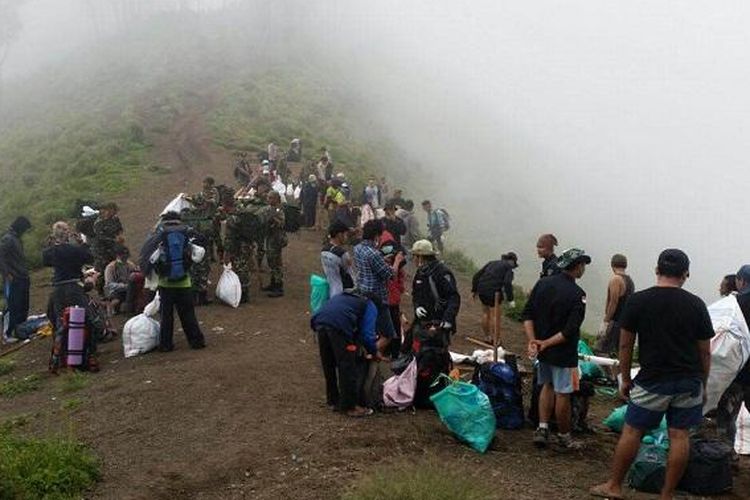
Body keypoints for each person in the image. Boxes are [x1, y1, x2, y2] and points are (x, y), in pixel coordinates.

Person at [590, 249, 713, 500]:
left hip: (652, 380)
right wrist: (703, 382)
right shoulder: (696, 304)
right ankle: (666, 495)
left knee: (633, 431)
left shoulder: (639, 301)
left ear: (657, 270)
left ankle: (614, 486)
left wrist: (624, 378)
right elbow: (705, 352)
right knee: (679, 435)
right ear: (685, 274)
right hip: (688, 381)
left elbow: (625, 344)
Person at [523, 248, 590, 451]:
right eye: (583, 265)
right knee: (563, 393)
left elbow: (527, 314)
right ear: (577, 267)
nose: (583, 269)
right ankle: (564, 436)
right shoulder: (578, 295)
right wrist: (546, 343)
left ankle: (542, 428)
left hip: (543, 350)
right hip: (563, 352)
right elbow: (570, 331)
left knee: (547, 386)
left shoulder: (542, 284)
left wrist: (534, 341)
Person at [311, 291, 380, 418]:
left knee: (329, 364)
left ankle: (333, 400)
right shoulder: (370, 305)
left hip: (320, 321)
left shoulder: (346, 297)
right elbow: (368, 335)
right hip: (339, 326)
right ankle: (350, 406)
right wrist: (374, 352)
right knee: (347, 366)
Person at [153, 212, 206, 352]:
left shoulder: (159, 232)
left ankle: (166, 345)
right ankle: (196, 342)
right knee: (188, 314)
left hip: (165, 283)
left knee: (166, 316)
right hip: (184, 282)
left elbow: (149, 255)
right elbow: (202, 241)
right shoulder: (186, 231)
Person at [715, 266, 750, 454]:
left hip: (736, 372)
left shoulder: (734, 303)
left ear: (740, 281)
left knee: (727, 416)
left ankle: (727, 457)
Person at [353, 220, 404, 348]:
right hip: (377, 297)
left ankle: (370, 357)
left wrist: (382, 260)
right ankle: (371, 352)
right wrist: (397, 261)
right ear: (376, 235)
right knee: (387, 334)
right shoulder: (374, 254)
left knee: (369, 328)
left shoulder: (358, 248)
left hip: (362, 291)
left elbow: (371, 266)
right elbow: (390, 275)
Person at [411, 239, 461, 334]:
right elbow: (415, 293)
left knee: (433, 347)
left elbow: (453, 297)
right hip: (422, 321)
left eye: (414, 256)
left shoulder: (442, 272)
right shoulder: (421, 272)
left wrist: (447, 319)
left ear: (421, 257)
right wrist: (417, 306)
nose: (413, 259)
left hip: (439, 322)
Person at [472, 252, 518, 343]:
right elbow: (507, 283)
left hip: (482, 289)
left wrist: (474, 290)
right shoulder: (508, 267)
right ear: (512, 261)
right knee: (495, 317)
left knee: (485, 313)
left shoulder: (491, 263)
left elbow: (477, 275)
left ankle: (487, 337)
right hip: (493, 292)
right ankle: (496, 340)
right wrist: (510, 299)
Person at [595, 254, 635, 355]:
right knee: (618, 353)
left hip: (615, 322)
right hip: (625, 322)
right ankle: (618, 371)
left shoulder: (616, 280)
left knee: (600, 351)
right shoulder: (629, 281)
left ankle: (609, 371)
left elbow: (614, 302)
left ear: (612, 265)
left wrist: (605, 322)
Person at [0, 216, 32, 342]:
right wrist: (6, 273)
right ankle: (7, 334)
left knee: (23, 305)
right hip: (13, 278)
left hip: (23, 276)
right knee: (12, 306)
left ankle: (21, 330)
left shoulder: (17, 238)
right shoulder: (8, 239)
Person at [103, 245, 141, 315]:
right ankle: (110, 305)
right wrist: (124, 286)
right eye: (123, 255)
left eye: (127, 255)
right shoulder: (111, 267)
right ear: (118, 255)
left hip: (129, 289)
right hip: (116, 290)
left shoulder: (130, 264)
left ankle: (130, 309)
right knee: (116, 301)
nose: (125, 257)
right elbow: (109, 284)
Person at [321, 221, 354, 298]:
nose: (346, 237)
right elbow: (350, 273)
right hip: (343, 293)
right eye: (345, 234)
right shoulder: (342, 254)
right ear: (339, 235)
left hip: (329, 290)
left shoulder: (324, 250)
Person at [264, 191, 287, 298]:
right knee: (270, 261)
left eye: (270, 198)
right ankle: (273, 283)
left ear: (276, 199)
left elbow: (281, 223)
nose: (268, 199)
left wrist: (272, 217)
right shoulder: (269, 208)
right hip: (270, 237)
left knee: (276, 262)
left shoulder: (279, 210)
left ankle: (279, 287)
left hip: (276, 238)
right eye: (268, 198)